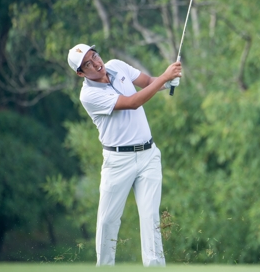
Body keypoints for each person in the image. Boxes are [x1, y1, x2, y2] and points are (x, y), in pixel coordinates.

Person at [67, 43, 182, 267]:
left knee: (151, 218)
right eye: (88, 64)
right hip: (118, 162)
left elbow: (149, 82)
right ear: (81, 73)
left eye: (95, 56)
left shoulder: (117, 66)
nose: (96, 64)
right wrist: (165, 76)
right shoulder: (88, 95)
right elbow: (133, 102)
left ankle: (156, 268)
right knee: (108, 221)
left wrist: (168, 80)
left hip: (148, 155)